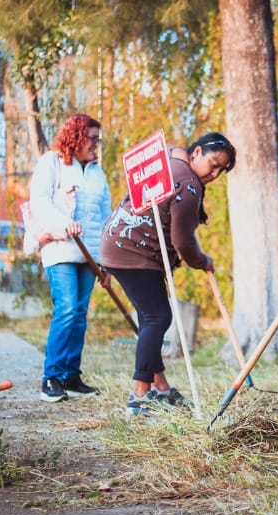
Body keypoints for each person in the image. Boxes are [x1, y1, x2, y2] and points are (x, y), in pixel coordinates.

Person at [99, 133, 236, 416]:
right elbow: (182, 242)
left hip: (114, 239)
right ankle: (140, 394)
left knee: (152, 317)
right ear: (196, 151)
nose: (214, 174)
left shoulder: (169, 157)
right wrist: (202, 261)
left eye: (221, 170)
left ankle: (161, 387)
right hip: (134, 251)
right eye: (212, 164)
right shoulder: (188, 186)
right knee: (158, 317)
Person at [29, 114, 113, 403]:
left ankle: (70, 376)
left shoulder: (97, 173)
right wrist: (63, 222)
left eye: (97, 140)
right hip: (61, 248)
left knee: (79, 314)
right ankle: (50, 377)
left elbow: (105, 217)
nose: (96, 145)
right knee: (66, 309)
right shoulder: (52, 163)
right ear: (76, 136)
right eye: (92, 139)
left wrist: (106, 261)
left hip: (90, 255)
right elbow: (40, 201)